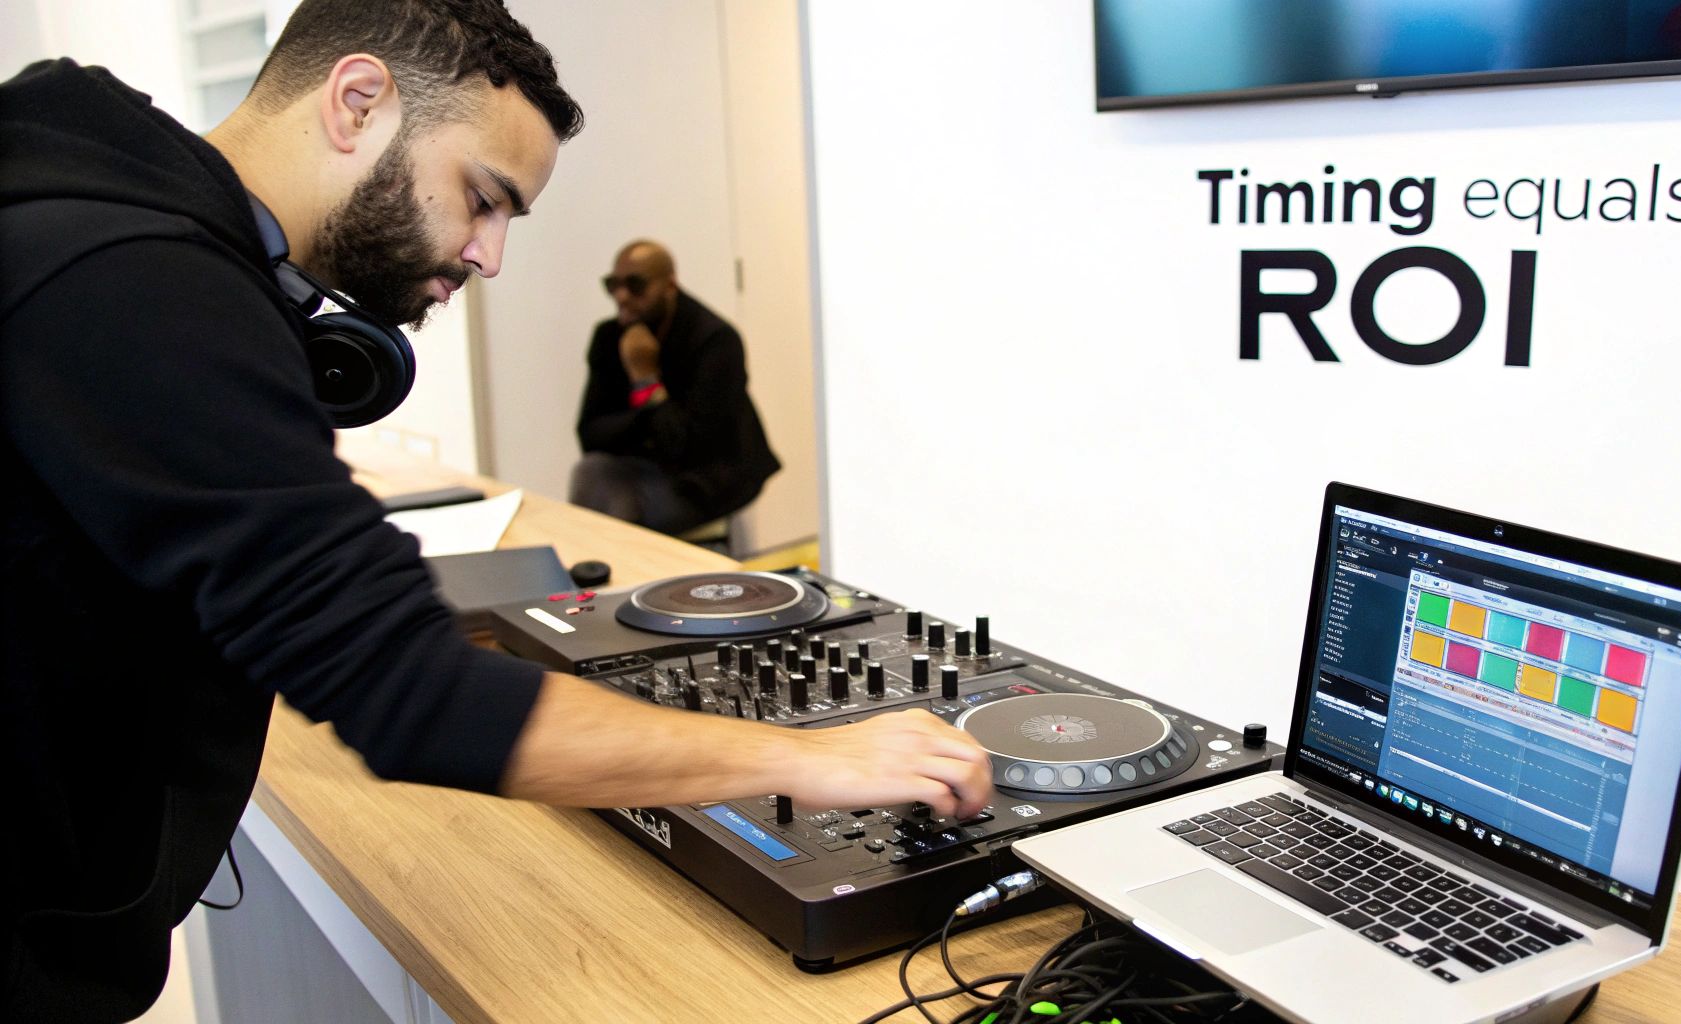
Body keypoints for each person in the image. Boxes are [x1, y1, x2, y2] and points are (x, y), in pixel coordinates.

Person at [0, 2, 989, 1018]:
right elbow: (407, 692)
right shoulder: (139, 285)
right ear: (357, 101)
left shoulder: (87, 219)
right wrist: (808, 754)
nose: (489, 255)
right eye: (482, 197)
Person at [570, 240, 781, 536]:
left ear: (670, 285)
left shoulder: (716, 341)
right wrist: (647, 421)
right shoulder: (609, 337)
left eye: (635, 285)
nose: (621, 296)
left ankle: (613, 577)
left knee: (626, 507)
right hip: (651, 463)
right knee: (589, 472)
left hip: (712, 475)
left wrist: (646, 379)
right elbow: (590, 435)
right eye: (612, 284)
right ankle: (595, 573)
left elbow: (690, 446)